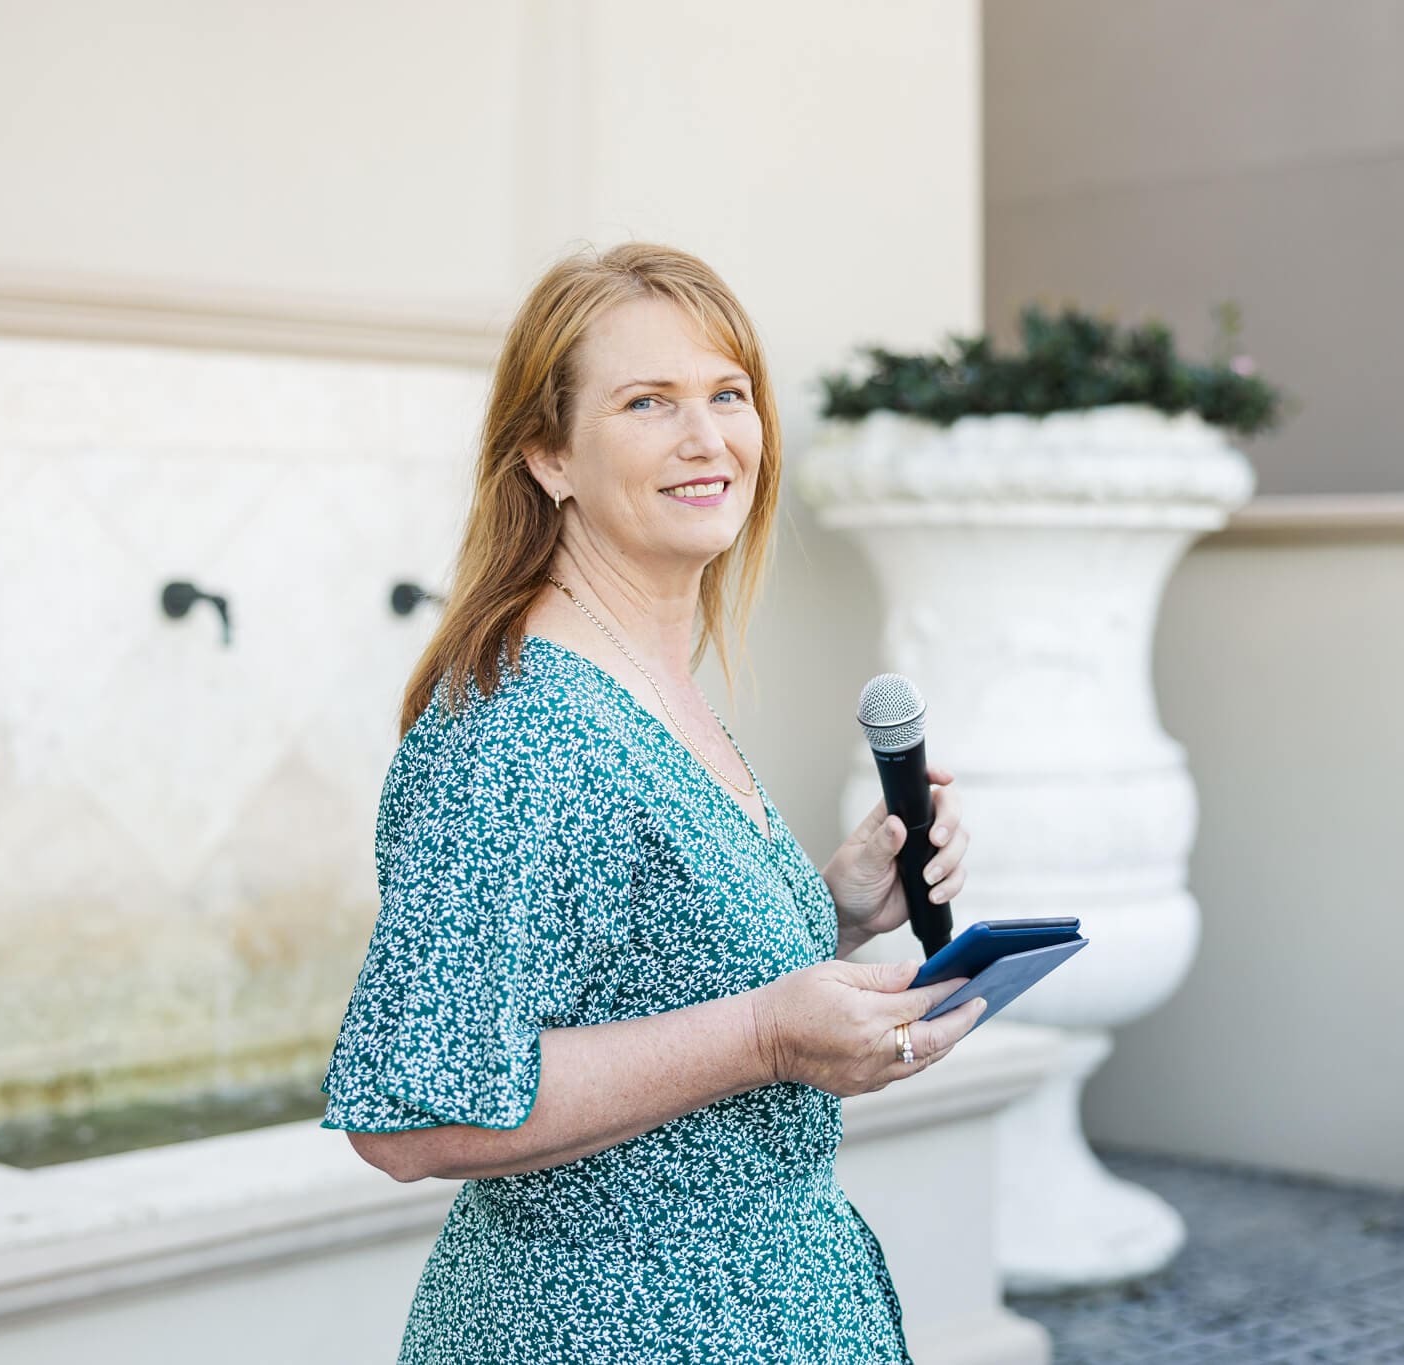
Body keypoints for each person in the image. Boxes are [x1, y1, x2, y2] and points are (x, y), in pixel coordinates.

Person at [320, 241, 985, 1363]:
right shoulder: (523, 725)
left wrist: (834, 916)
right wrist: (769, 1034)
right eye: (647, 403)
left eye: (728, 394)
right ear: (546, 454)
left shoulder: (649, 681)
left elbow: (624, 980)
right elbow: (408, 1109)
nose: (706, 438)